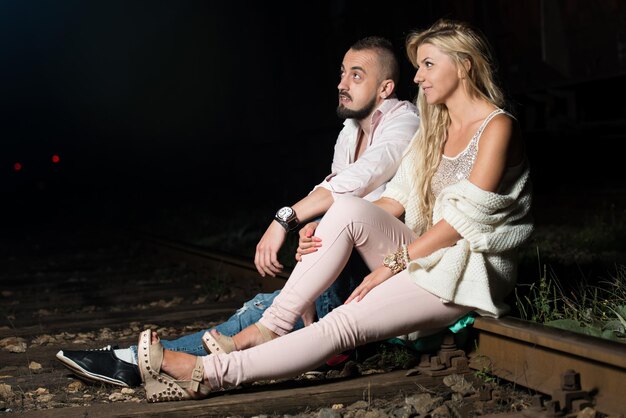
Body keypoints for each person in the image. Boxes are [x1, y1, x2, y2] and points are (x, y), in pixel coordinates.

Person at [133, 18, 535, 403]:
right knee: (344, 207)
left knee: (343, 322)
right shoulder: (437, 127)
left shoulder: (497, 127)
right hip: (426, 254)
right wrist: (329, 227)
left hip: (466, 269)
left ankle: (205, 375)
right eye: (418, 67)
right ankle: (270, 327)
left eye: (428, 64)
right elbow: (396, 199)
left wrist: (392, 263)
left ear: (464, 66)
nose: (418, 77)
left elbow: (462, 223)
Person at [55, 35, 420, 388]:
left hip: (384, 268)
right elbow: (333, 188)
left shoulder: (405, 121)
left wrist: (286, 219)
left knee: (262, 312)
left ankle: (137, 362)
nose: (342, 83)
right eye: (342, 72)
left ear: (385, 88)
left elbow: (362, 181)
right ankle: (147, 359)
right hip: (349, 261)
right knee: (269, 307)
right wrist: (311, 223)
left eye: (356, 75)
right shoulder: (349, 130)